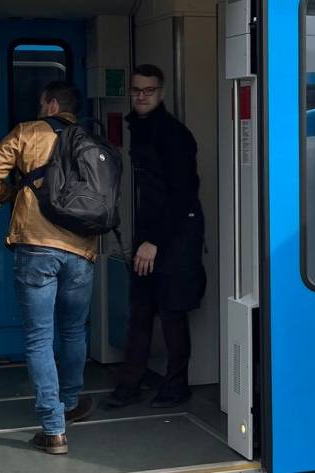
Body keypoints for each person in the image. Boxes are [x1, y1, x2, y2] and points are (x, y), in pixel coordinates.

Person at [0, 81, 97, 455]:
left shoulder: (28, 132)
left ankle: (53, 428)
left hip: (36, 246)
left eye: (42, 102)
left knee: (39, 338)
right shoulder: (90, 140)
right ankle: (70, 402)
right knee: (73, 331)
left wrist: (11, 195)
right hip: (82, 248)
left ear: (52, 104)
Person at [107, 64, 206, 409]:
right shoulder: (140, 128)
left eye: (149, 90)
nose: (141, 96)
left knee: (172, 311)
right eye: (136, 90)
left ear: (161, 93)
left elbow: (182, 194)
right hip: (151, 232)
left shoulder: (174, 135)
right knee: (141, 310)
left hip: (176, 235)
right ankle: (129, 385)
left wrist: (155, 242)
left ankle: (176, 386)